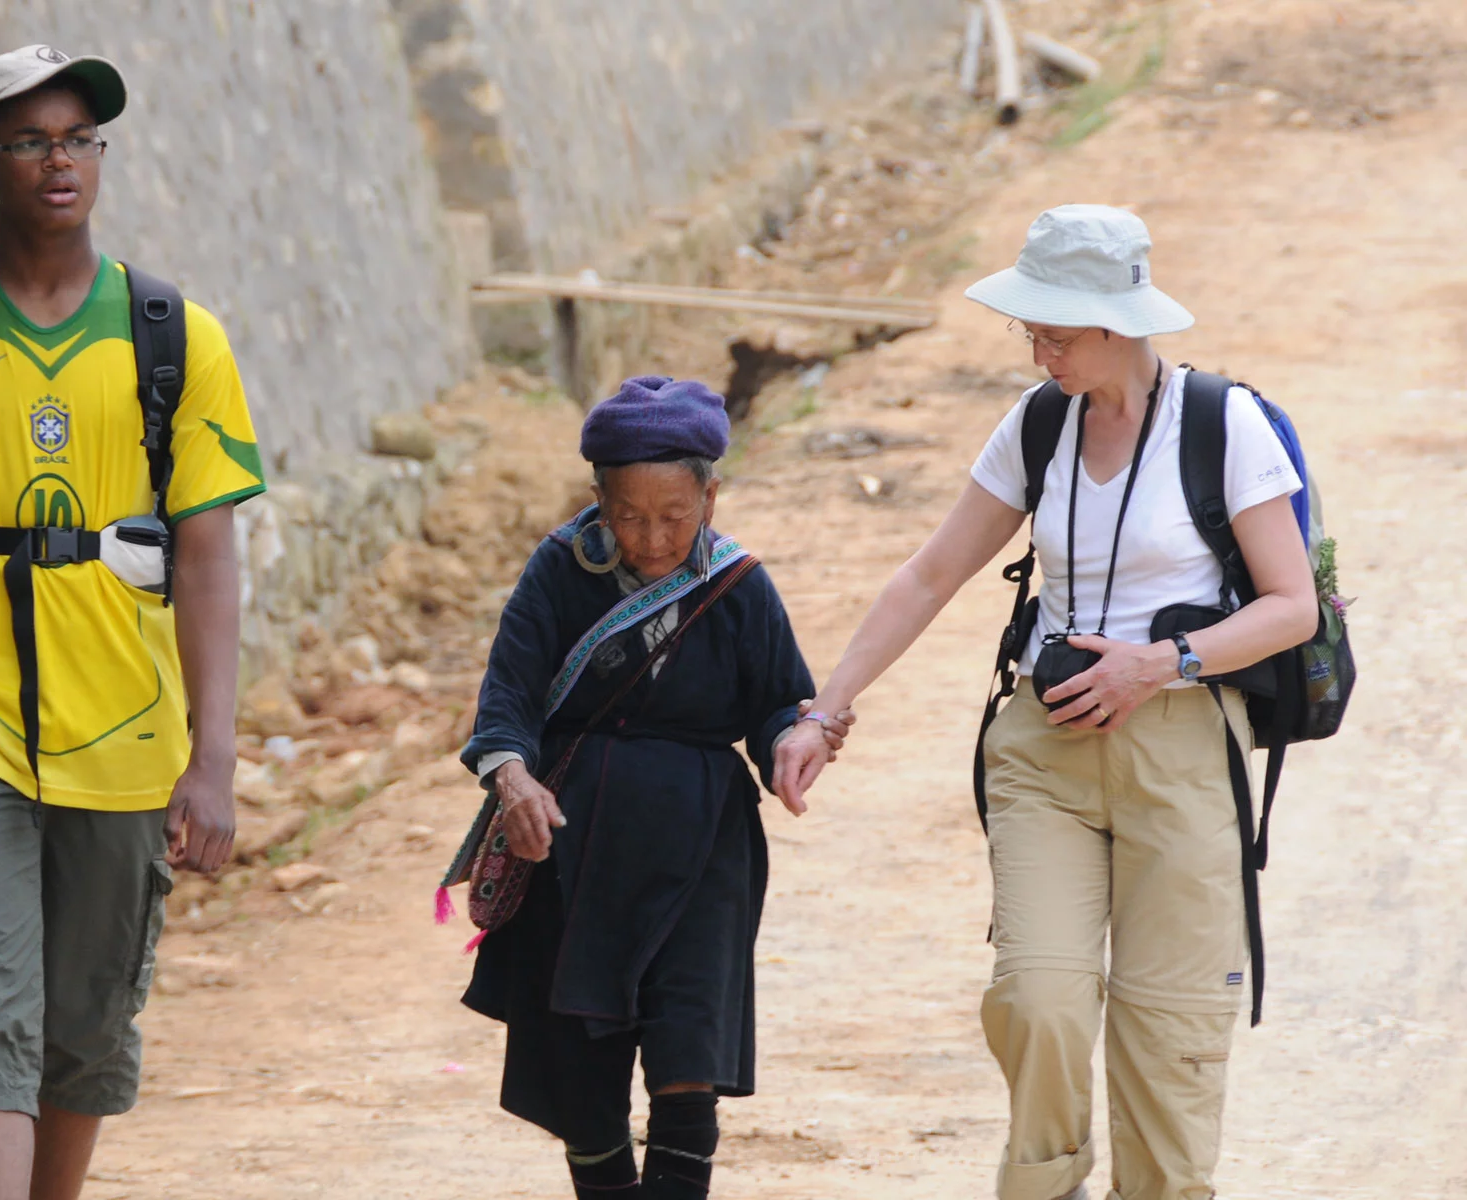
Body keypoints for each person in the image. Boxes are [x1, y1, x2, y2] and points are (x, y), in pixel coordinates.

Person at [774, 205, 1319, 1200]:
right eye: (1031, 330)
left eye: (1055, 333)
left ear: (1118, 322)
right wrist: (825, 709)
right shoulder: (1037, 422)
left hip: (1183, 751)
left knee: (1169, 1031)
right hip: (1045, 752)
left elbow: (1293, 606)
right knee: (1038, 1000)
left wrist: (1160, 664)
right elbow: (932, 572)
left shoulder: (1220, 424)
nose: (1038, 350)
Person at [0, 45, 266, 1200]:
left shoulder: (178, 338)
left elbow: (211, 555)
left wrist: (213, 760)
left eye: (79, 138)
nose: (58, 160)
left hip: (124, 729)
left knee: (83, 1023)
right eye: (29, 140)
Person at [458, 376, 847, 1199]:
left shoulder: (737, 585)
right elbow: (507, 705)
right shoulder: (558, 572)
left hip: (703, 848)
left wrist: (795, 740)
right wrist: (514, 779)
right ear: (597, 499)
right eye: (630, 515)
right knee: (584, 1069)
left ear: (711, 495)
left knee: (688, 1051)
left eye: (676, 514)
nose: (654, 537)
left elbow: (779, 701)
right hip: (573, 848)